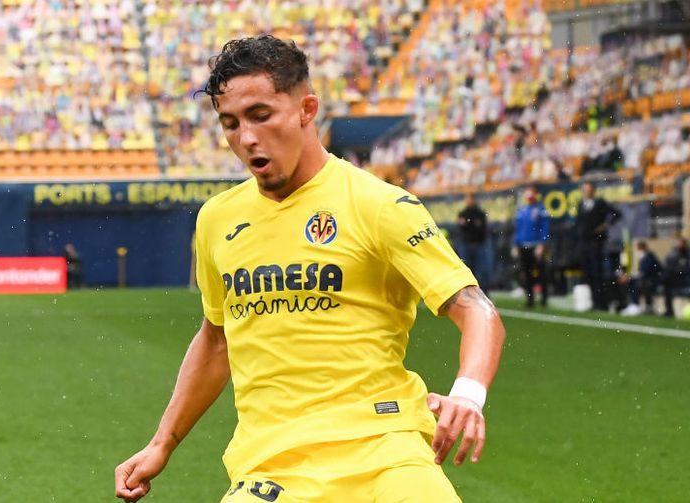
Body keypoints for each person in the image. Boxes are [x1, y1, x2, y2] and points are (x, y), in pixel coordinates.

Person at [115, 36, 506, 503]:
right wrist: (162, 443)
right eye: (231, 123)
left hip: (386, 451)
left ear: (307, 109)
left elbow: (476, 310)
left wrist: (467, 395)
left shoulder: (380, 205)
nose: (246, 137)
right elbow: (216, 339)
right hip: (273, 465)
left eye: (261, 115)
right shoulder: (217, 219)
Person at [575, 182, 621, 311]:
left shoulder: (600, 203)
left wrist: (605, 225)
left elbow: (616, 214)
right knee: (587, 273)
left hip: (596, 243)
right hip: (584, 243)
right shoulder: (581, 204)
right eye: (584, 189)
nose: (586, 192)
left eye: (588, 190)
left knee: (597, 273)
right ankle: (593, 302)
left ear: (593, 191)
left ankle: (602, 303)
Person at [513, 186, 550, 308]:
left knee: (541, 273)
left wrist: (542, 244)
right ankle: (530, 299)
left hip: (536, 245)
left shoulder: (541, 209)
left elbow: (545, 228)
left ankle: (544, 299)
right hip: (523, 245)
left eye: (531, 193)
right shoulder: (522, 211)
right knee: (526, 273)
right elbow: (517, 229)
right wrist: (515, 244)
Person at [457, 193, 491, 293]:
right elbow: (461, 227)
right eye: (466, 199)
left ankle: (482, 292)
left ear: (474, 200)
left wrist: (468, 224)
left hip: (478, 244)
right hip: (466, 244)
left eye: (469, 199)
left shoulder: (479, 213)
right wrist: (473, 225)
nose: (468, 201)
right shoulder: (463, 213)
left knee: (480, 271)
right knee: (467, 270)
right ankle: (469, 292)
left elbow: (482, 228)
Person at [662, 236, 690, 317]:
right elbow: (666, 265)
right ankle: (669, 310)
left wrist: (679, 271)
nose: (680, 245)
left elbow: (688, 268)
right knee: (666, 284)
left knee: (667, 284)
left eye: (681, 243)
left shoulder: (688, 254)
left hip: (684, 279)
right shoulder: (673, 253)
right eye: (679, 243)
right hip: (674, 278)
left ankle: (669, 311)